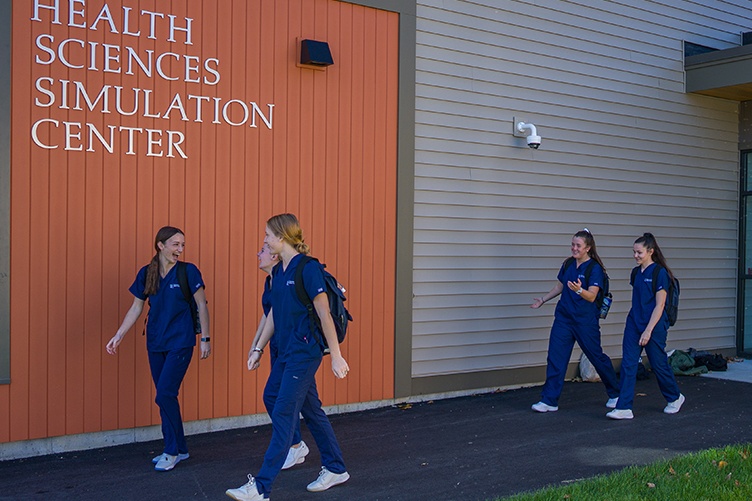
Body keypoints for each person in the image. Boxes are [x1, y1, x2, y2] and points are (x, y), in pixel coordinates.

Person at [226, 214, 350, 501]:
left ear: (282, 237)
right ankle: (334, 467)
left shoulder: (308, 269)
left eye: (268, 235)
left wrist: (336, 356)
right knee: (290, 403)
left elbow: (324, 314)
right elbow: (273, 315)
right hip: (284, 351)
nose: (266, 240)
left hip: (304, 353)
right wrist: (258, 348)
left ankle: (261, 487)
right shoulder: (279, 272)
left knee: (283, 411)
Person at [105, 226, 210, 472]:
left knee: (164, 394)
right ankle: (181, 449)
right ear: (160, 245)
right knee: (167, 396)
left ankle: (170, 451)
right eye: (175, 244)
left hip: (181, 342)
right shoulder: (147, 273)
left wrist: (205, 338)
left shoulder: (188, 272)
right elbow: (136, 308)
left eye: (182, 245)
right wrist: (118, 335)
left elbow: (202, 305)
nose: (180, 250)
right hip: (155, 342)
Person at [530, 229, 619, 412]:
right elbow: (560, 286)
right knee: (556, 357)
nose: (574, 248)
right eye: (572, 244)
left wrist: (579, 290)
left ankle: (616, 393)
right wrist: (543, 300)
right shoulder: (569, 264)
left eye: (578, 245)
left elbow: (592, 296)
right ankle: (549, 400)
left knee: (596, 356)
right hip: (564, 318)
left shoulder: (594, 269)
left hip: (584, 321)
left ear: (588, 248)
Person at [607, 233, 684, 420]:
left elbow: (660, 305)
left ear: (650, 251)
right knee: (628, 363)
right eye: (634, 252)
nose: (635, 256)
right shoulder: (635, 273)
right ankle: (624, 407)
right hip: (634, 321)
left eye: (639, 252)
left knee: (658, 364)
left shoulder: (660, 273)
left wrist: (648, 330)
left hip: (654, 324)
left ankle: (675, 397)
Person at [249, 244, 309, 470]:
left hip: (293, 348)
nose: (258, 253)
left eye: (262, 250)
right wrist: (257, 345)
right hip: (278, 345)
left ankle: (294, 446)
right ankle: (296, 446)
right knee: (293, 400)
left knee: (278, 397)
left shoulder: (285, 278)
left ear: (274, 256)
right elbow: (268, 316)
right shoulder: (271, 281)